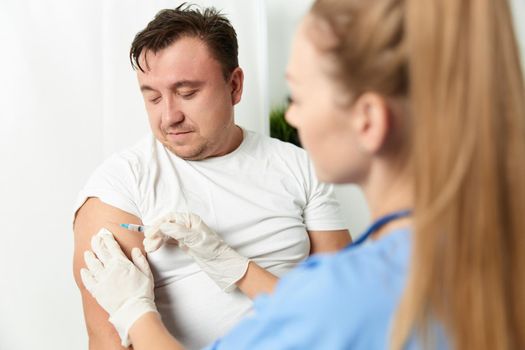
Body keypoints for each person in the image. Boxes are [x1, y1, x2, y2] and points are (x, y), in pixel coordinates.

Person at [79, 0, 525, 349]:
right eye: (151, 97)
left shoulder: (342, 291)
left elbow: (326, 306)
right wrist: (240, 269)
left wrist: (135, 310)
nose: (290, 113)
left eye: (300, 93)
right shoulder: (467, 253)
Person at [72, 4, 351, 350]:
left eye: (187, 93)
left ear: (234, 85)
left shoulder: (300, 167)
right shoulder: (121, 186)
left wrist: (234, 265)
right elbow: (108, 344)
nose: (169, 116)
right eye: (153, 97)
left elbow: (345, 312)